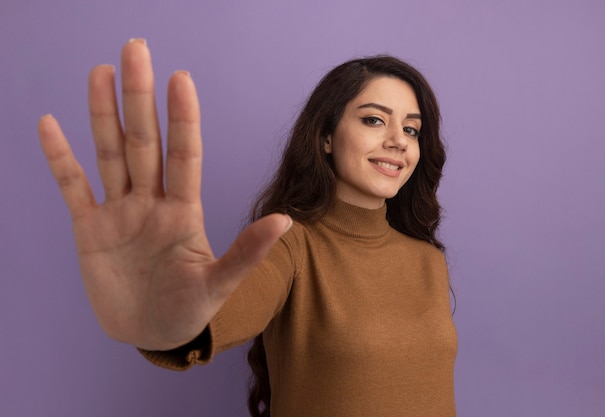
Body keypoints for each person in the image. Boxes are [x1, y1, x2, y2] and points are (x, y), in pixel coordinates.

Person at [38, 39, 457, 416]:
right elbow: (232, 305)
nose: (399, 141)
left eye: (411, 129)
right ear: (327, 136)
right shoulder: (290, 245)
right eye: (373, 120)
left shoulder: (427, 260)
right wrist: (172, 322)